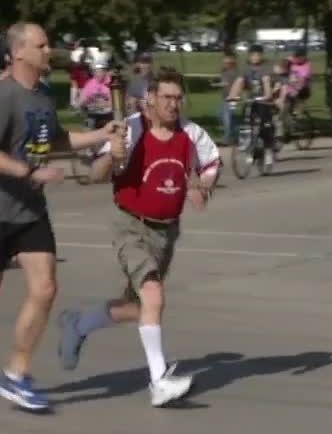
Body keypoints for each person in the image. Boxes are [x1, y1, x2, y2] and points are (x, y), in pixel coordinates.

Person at [0, 22, 121, 410]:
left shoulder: (43, 96)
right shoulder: (2, 97)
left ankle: (15, 374)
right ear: (19, 51)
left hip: (30, 211)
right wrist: (29, 172)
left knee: (45, 287)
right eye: (41, 44)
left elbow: (55, 141)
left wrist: (102, 134)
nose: (48, 49)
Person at [57, 68, 221, 406]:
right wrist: (111, 157)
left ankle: (79, 324)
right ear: (150, 100)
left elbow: (211, 163)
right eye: (166, 98)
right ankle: (159, 381)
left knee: (139, 307)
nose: (174, 105)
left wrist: (202, 187)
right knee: (153, 294)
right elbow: (96, 175)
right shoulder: (129, 129)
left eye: (178, 98)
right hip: (130, 224)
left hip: (167, 231)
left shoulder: (191, 134)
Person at [226, 44, 276, 166]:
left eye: (258, 55)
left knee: (265, 126)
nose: (255, 57)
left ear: (261, 56)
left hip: (264, 101)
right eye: (253, 55)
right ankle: (245, 139)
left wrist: (268, 94)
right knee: (246, 119)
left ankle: (268, 150)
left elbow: (266, 81)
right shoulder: (246, 69)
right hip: (252, 100)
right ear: (249, 56)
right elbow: (239, 81)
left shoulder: (265, 68)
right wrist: (232, 96)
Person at [217, 54, 240, 145]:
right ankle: (236, 132)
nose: (225, 64)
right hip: (225, 97)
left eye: (227, 63)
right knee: (220, 115)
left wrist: (215, 85)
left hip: (232, 97)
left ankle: (227, 138)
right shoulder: (225, 72)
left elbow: (226, 83)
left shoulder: (234, 72)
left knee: (227, 118)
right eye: (224, 63)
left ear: (232, 63)